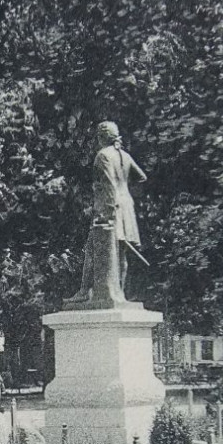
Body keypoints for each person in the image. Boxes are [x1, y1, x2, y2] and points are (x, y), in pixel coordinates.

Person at [68, 120, 148, 306]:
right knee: (120, 254)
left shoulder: (103, 155)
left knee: (91, 249)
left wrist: (109, 212)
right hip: (126, 206)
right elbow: (142, 177)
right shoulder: (125, 156)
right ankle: (119, 294)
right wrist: (126, 189)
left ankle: (84, 291)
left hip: (110, 208)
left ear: (102, 137)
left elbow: (110, 183)